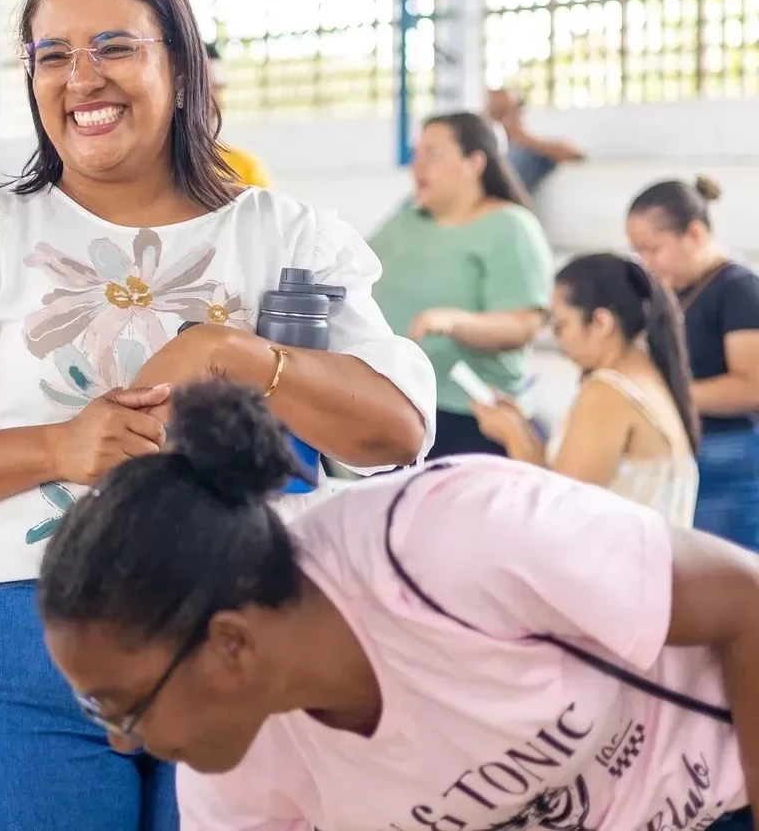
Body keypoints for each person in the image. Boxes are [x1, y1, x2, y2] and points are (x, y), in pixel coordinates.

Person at [0, 0, 435, 831]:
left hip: (239, 637)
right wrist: (58, 446)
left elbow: (397, 431)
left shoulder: (286, 237)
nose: (83, 77)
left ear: (182, 67)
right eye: (53, 55)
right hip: (14, 652)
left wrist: (237, 357)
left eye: (114, 46)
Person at [39, 379, 757, 831]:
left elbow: (745, 599)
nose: (123, 742)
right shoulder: (236, 780)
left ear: (231, 644)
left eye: (123, 706)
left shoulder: (454, 542)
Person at [369, 112, 553, 458]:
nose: (418, 166)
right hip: (397, 401)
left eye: (433, 154)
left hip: (470, 416)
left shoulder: (510, 227)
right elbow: (356, 272)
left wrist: (455, 322)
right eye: (416, 153)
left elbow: (523, 325)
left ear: (475, 163)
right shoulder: (408, 218)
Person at [470, 252, 701, 525]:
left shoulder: (610, 391)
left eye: (561, 326)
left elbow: (560, 509)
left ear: (601, 323)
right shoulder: (646, 379)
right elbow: (571, 476)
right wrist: (521, 429)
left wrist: (512, 436)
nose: (558, 341)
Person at [628, 176, 759, 554]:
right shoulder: (671, 290)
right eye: (638, 251)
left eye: (654, 249)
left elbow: (750, 387)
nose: (646, 263)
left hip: (730, 455)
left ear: (695, 234)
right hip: (688, 454)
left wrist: (661, 395)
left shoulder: (738, 288)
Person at [486, 85, 585, 196]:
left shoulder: (531, 149)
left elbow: (577, 155)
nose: (498, 119)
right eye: (494, 113)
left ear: (518, 111)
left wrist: (522, 137)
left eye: (503, 112)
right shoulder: (486, 149)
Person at [204, 42, 273, 188]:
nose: (212, 99)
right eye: (204, 86)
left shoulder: (247, 171)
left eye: (217, 87)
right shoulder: (157, 172)